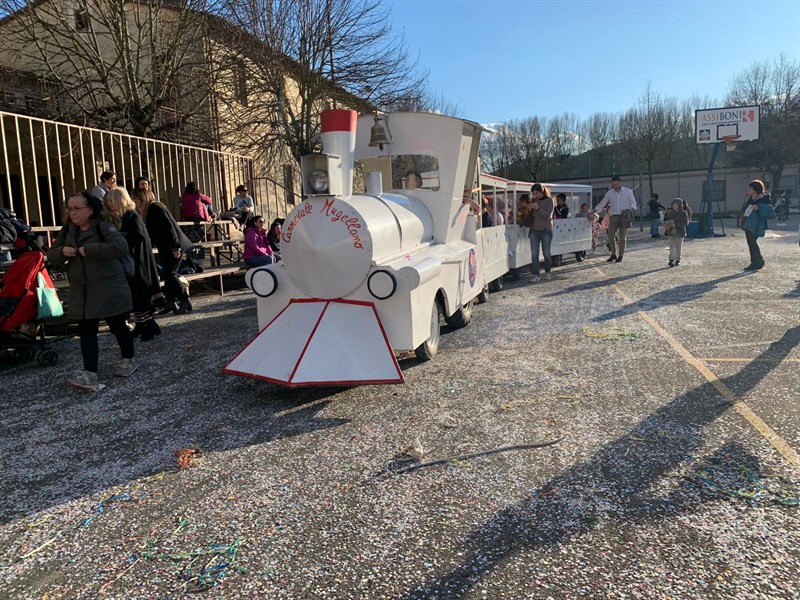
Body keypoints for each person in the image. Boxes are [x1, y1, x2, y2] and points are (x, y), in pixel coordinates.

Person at [47, 192, 136, 391]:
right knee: (87, 332)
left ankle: (128, 359)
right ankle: (90, 374)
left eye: (77, 208)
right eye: (70, 208)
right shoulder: (68, 229)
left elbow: (120, 246)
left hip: (108, 288)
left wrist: (90, 249)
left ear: (90, 209)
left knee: (118, 326)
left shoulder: (104, 226)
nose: (73, 212)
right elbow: (51, 255)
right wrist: (62, 252)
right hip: (83, 291)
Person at [104, 188, 162, 341]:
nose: (110, 204)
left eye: (112, 201)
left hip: (138, 261)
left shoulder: (131, 215)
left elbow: (138, 237)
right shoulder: (125, 216)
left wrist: (121, 238)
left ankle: (148, 325)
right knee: (136, 295)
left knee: (140, 294)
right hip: (132, 260)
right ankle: (143, 324)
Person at [133, 188, 194, 314]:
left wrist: (175, 247)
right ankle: (171, 301)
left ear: (141, 198)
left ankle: (184, 299)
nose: (134, 202)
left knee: (171, 274)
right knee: (167, 274)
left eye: (135, 199)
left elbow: (169, 227)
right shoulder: (151, 208)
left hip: (172, 246)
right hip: (166, 246)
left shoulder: (154, 208)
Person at [594, 176, 637, 263]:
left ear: (620, 183)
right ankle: (613, 254)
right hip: (613, 216)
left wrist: (630, 210)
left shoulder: (628, 191)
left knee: (622, 237)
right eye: (614, 184)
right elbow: (602, 203)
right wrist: (593, 211)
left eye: (617, 184)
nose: (616, 186)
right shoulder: (610, 193)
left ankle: (620, 255)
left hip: (624, 216)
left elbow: (634, 203)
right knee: (611, 236)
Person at [739, 179, 775, 271]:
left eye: (749, 188)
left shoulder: (763, 198)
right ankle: (756, 261)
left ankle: (757, 262)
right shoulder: (750, 198)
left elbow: (769, 210)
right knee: (751, 243)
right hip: (748, 223)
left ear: (754, 189)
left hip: (756, 224)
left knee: (752, 243)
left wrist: (759, 207)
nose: (748, 190)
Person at [522, 183, 554, 282]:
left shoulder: (549, 200)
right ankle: (536, 275)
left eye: (536, 193)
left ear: (542, 191)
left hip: (546, 230)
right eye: (533, 193)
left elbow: (547, 215)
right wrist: (529, 209)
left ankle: (547, 272)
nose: (535, 195)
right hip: (534, 230)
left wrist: (538, 208)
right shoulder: (533, 200)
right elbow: (528, 215)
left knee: (546, 253)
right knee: (534, 254)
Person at [663, 199, 688, 267]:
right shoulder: (670, 213)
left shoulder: (684, 213)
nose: (674, 206)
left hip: (680, 232)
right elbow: (667, 221)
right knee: (672, 246)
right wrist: (667, 226)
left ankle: (677, 259)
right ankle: (671, 260)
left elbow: (685, 222)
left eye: (676, 205)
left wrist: (677, 225)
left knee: (678, 246)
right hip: (672, 231)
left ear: (679, 205)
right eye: (673, 205)